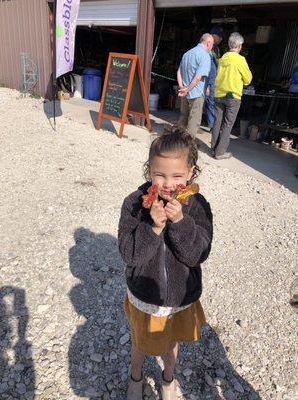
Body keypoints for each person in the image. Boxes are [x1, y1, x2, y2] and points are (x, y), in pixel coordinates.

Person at [118, 132, 213, 399]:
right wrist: (153, 227)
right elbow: (130, 255)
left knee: (171, 342)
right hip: (145, 297)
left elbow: (198, 254)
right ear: (149, 170)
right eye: (160, 175)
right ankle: (135, 376)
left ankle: (167, 378)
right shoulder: (134, 204)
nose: (168, 184)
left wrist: (181, 223)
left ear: (190, 172)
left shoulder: (198, 206)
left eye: (177, 176)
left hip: (180, 298)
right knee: (140, 341)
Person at [211, 32, 252, 160]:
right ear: (239, 46)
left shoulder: (222, 58)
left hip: (218, 94)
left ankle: (214, 147)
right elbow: (248, 79)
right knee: (228, 124)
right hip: (232, 96)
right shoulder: (240, 60)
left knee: (217, 122)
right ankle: (220, 152)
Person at [177, 33, 214, 138]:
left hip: (184, 91)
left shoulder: (187, 53)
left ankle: (176, 140)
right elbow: (198, 77)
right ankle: (187, 145)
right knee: (194, 120)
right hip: (196, 93)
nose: (212, 47)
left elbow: (179, 71)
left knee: (183, 116)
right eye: (212, 45)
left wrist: (182, 88)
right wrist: (188, 89)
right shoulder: (205, 56)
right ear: (208, 43)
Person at [205, 26, 224, 130]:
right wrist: (207, 84)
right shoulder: (208, 47)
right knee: (210, 103)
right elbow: (206, 66)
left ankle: (212, 124)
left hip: (212, 80)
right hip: (207, 80)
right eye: (220, 37)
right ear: (214, 36)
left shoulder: (215, 48)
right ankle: (212, 126)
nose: (221, 40)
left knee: (211, 102)